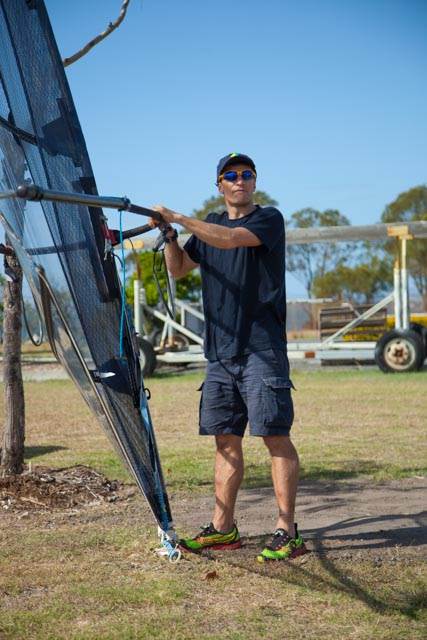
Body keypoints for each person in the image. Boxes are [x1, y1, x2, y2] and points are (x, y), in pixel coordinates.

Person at [151, 152, 306, 562]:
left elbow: (232, 239)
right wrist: (169, 236)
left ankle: (287, 530)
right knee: (225, 440)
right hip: (219, 352)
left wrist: (178, 217)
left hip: (261, 349)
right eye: (231, 175)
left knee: (275, 436)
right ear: (219, 184)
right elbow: (179, 268)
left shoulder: (268, 219)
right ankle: (223, 530)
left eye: (246, 174)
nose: (240, 180)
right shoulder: (209, 225)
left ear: (254, 182)